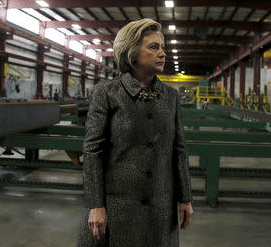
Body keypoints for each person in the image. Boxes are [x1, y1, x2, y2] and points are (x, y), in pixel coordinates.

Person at [77, 18, 193, 247]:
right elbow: (93, 152)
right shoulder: (108, 93)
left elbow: (179, 150)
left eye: (163, 47)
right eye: (154, 47)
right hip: (116, 208)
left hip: (160, 209)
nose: (162, 53)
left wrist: (185, 198)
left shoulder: (171, 97)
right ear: (132, 53)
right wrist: (95, 205)